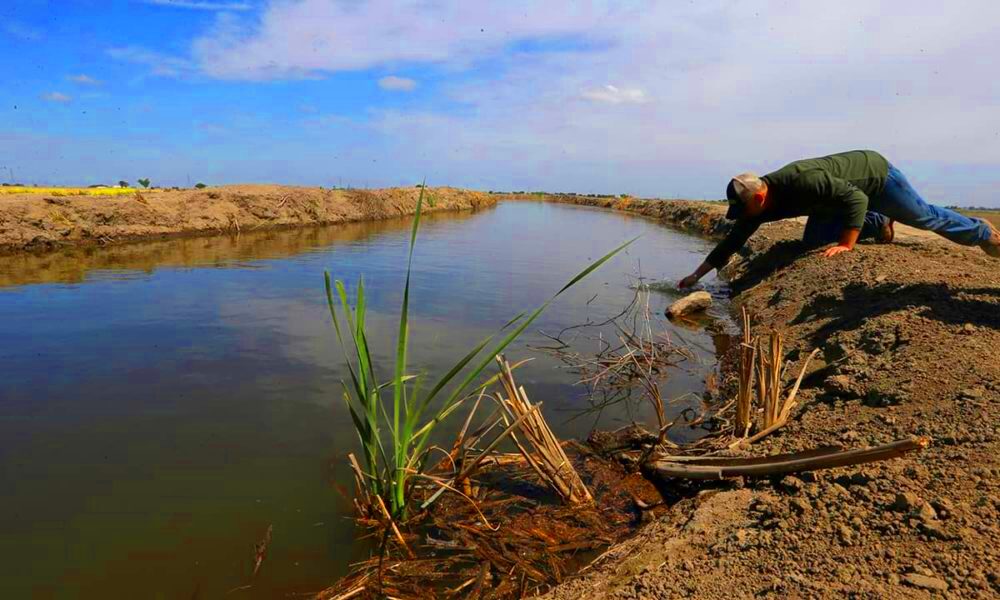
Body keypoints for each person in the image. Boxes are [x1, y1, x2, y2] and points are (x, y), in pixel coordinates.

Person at [678, 150, 1000, 289]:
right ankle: (877, 223)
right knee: (813, 242)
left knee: (923, 217)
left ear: (759, 198)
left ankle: (981, 232)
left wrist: (847, 245)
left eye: (744, 210)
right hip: (836, 199)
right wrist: (696, 275)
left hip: (875, 178)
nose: (742, 217)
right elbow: (734, 239)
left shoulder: (801, 180)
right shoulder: (759, 206)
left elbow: (856, 197)